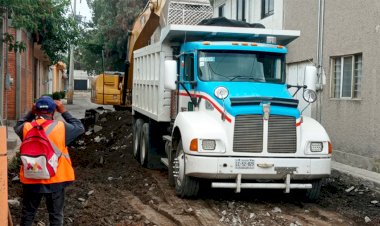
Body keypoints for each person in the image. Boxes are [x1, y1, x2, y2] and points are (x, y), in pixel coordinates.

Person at [14, 96, 85, 226]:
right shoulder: (61, 127)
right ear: (53, 111)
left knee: (28, 214)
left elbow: (18, 125)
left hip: (31, 176)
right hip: (55, 179)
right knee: (56, 216)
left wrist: (31, 112)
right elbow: (79, 127)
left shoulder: (26, 127)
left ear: (36, 111)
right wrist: (64, 111)